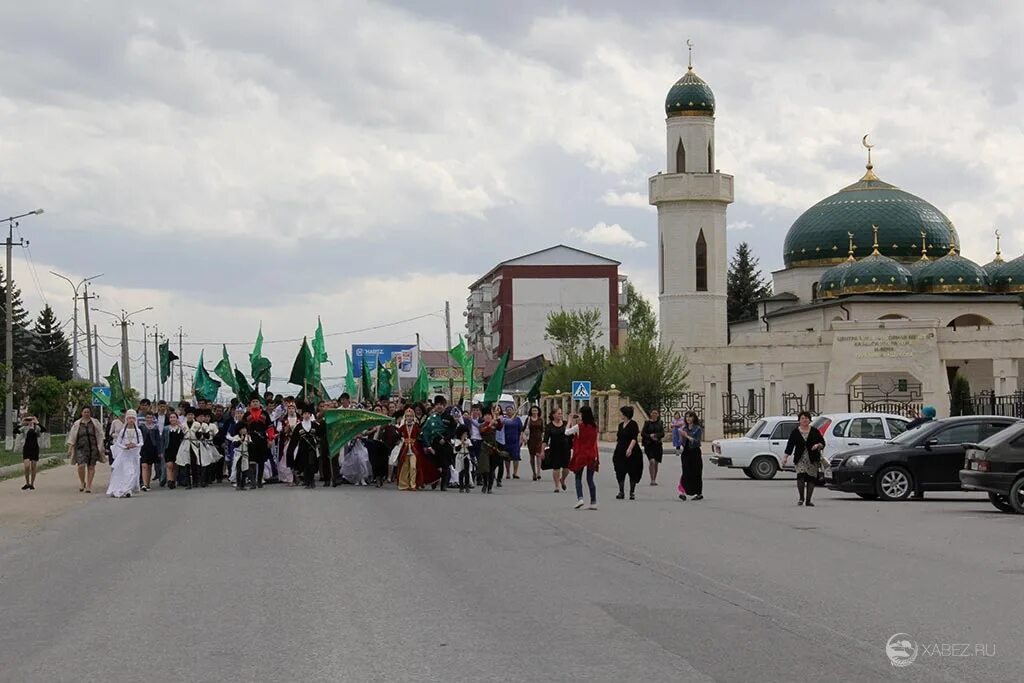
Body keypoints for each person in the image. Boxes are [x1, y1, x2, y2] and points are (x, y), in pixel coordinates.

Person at [782, 411, 826, 507]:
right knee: (801, 476)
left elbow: (822, 442)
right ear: (799, 420)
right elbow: (790, 445)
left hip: (812, 458)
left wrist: (818, 445)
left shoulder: (815, 431)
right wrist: (785, 457)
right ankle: (801, 498)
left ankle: (808, 500)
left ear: (810, 420)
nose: (805, 420)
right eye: (802, 418)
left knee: (811, 479)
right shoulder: (795, 432)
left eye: (807, 418)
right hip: (800, 458)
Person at [567, 406, 599, 509]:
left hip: (581, 455)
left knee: (578, 477)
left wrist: (569, 421)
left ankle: (580, 498)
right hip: (592, 454)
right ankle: (593, 502)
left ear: (583, 415)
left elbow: (567, 432)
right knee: (590, 479)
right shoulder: (595, 427)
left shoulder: (579, 426)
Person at [66, 406, 104, 493]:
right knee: (81, 465)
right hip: (81, 448)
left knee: (91, 466)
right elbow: (72, 437)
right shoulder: (77, 424)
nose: (86, 414)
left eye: (88, 412)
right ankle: (82, 482)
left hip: (93, 447)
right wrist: (70, 449)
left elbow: (100, 434)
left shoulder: (95, 422)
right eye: (85, 412)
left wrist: (101, 447)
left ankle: (89, 486)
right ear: (81, 413)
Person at [107, 410, 142, 498]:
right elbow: (118, 442)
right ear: (126, 419)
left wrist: (135, 445)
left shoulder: (138, 431)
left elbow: (141, 442)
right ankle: (125, 489)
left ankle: (128, 489)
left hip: (134, 455)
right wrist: (124, 447)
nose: (131, 420)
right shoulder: (123, 431)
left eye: (133, 418)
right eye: (129, 418)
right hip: (125, 455)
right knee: (127, 472)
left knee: (133, 472)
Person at [613, 406, 641, 500]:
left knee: (632, 471)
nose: (620, 414)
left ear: (625, 414)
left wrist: (629, 449)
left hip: (632, 451)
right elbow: (619, 438)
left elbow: (634, 438)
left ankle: (632, 492)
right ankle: (621, 491)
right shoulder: (621, 425)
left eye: (621, 413)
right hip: (620, 450)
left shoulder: (633, 424)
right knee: (620, 470)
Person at [395, 407, 427, 491]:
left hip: (413, 448)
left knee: (413, 466)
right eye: (407, 416)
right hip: (405, 448)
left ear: (413, 417)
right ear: (405, 417)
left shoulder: (416, 426)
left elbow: (421, 435)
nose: (409, 418)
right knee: (405, 467)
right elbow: (397, 434)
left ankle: (413, 484)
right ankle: (404, 484)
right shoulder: (403, 427)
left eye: (411, 416)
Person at [542, 407, 572, 493]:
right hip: (555, 449)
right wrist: (542, 450)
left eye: (561, 413)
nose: (560, 415)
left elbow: (569, 431)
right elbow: (545, 440)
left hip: (565, 448)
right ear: (553, 415)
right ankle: (557, 486)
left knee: (566, 468)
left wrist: (570, 420)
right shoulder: (549, 426)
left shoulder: (565, 423)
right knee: (556, 467)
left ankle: (562, 479)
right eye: (558, 413)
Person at [678, 411, 704, 501]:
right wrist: (681, 436)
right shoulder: (684, 428)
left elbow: (697, 442)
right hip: (686, 452)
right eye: (686, 417)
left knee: (696, 472)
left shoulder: (697, 429)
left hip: (695, 452)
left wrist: (688, 437)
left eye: (690, 417)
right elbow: (681, 442)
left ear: (694, 418)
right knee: (685, 471)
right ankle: (682, 492)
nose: (688, 419)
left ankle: (699, 493)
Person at [17, 415, 45, 491]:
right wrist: (21, 422)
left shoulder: (37, 428)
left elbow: (43, 430)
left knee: (33, 466)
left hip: (35, 449)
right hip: (26, 448)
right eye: (28, 419)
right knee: (26, 466)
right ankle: (27, 483)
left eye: (31, 419)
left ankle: (32, 484)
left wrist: (37, 422)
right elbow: (15, 431)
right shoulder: (24, 428)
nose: (29, 421)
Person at [642, 408, 665, 486]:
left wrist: (656, 435)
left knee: (656, 463)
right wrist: (650, 436)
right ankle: (652, 479)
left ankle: (654, 479)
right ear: (650, 414)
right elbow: (643, 433)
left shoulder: (660, 423)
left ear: (658, 414)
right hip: (649, 445)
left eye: (656, 413)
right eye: (653, 413)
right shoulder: (647, 423)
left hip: (657, 444)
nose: (654, 414)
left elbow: (662, 433)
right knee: (652, 461)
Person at [139, 413, 162, 492]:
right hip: (143, 448)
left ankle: (148, 483)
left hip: (153, 448)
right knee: (144, 465)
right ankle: (144, 484)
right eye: (147, 417)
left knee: (149, 466)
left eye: (151, 417)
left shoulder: (155, 428)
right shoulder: (141, 427)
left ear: (153, 419)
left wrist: (159, 451)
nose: (149, 419)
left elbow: (158, 440)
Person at [163, 412, 184, 490]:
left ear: (177, 418)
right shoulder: (166, 428)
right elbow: (163, 440)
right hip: (168, 449)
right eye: (171, 417)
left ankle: (173, 480)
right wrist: (161, 451)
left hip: (178, 449)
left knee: (175, 466)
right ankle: (169, 481)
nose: (172, 419)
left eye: (174, 417)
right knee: (169, 465)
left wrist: (181, 427)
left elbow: (183, 437)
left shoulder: (180, 428)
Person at [502, 405, 524, 480]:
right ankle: (508, 473)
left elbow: (521, 430)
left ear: (513, 411)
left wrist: (521, 439)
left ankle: (515, 473)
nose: (509, 411)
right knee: (506, 457)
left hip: (515, 441)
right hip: (506, 440)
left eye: (510, 409)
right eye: (507, 410)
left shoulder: (517, 420)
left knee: (516, 457)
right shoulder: (504, 419)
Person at [524, 405, 544, 481]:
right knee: (532, 456)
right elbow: (524, 429)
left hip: (538, 439)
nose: (534, 412)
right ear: (531, 412)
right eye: (533, 410)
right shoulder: (528, 419)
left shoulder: (540, 420)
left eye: (536, 410)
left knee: (538, 455)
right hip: (531, 439)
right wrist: (524, 438)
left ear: (538, 411)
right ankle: (534, 473)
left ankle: (539, 472)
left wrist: (543, 440)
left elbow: (542, 430)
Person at [454, 424, 473, 492]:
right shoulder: (457, 441)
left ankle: (467, 486)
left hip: (466, 456)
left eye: (466, 433)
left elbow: (471, 448)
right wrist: (461, 443)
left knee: (467, 471)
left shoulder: (468, 440)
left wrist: (467, 445)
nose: (465, 435)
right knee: (461, 471)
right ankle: (461, 486)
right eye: (464, 433)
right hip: (460, 456)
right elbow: (456, 449)